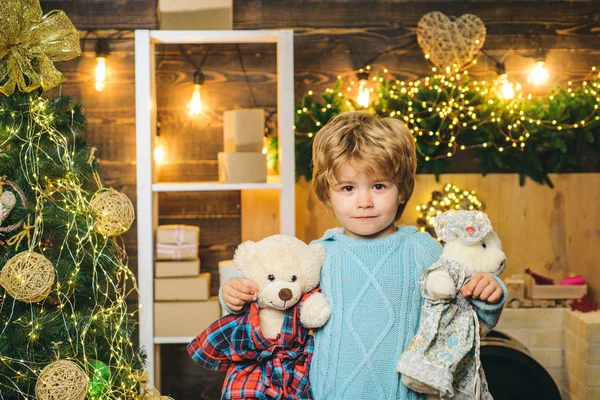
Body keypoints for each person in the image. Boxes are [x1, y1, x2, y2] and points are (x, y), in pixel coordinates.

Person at [221, 111, 506, 399]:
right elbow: (271, 294)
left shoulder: (424, 250)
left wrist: (489, 294)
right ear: (327, 192)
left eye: (379, 186)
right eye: (348, 188)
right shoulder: (317, 254)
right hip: (326, 393)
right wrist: (234, 294)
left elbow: (466, 320)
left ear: (402, 190)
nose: (365, 201)